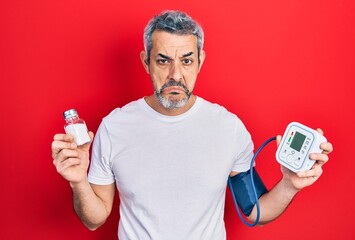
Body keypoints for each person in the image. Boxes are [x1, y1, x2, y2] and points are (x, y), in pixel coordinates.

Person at [51, 10, 333, 240]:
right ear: (146, 62)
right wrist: (78, 182)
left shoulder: (229, 128)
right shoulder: (114, 127)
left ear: (200, 61)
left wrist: (290, 185)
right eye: (163, 61)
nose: (176, 74)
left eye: (187, 61)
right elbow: (94, 219)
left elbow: (253, 210)